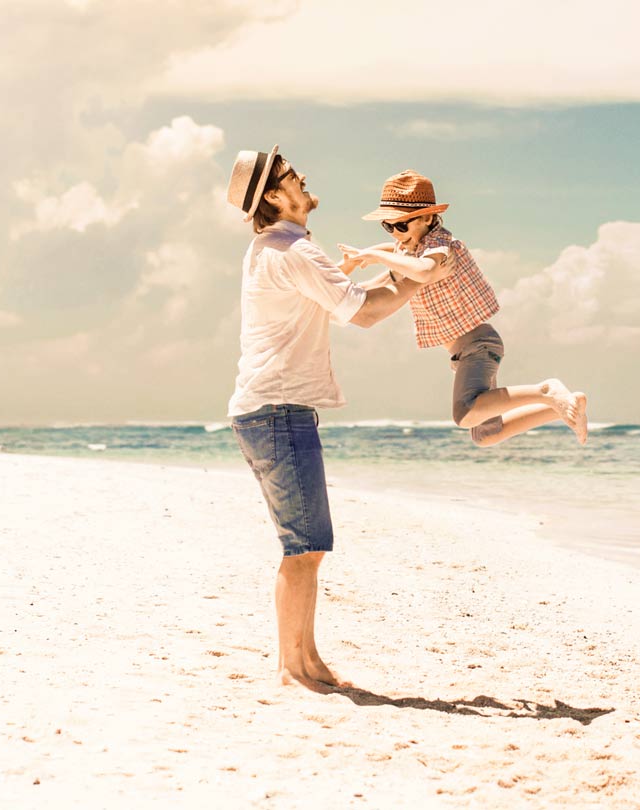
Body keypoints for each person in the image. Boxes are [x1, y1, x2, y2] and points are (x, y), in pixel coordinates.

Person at [224, 146, 421, 692]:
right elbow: (365, 312)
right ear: (273, 196)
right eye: (291, 176)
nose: (304, 178)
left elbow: (357, 297)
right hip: (277, 409)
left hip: (271, 408)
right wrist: (426, 273)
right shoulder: (292, 250)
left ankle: (306, 659)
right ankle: (293, 666)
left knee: (306, 545)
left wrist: (400, 273)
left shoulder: (275, 247)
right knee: (303, 546)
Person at [337, 170, 588, 448]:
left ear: (428, 218)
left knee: (465, 413)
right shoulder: (407, 251)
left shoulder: (439, 245)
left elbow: (424, 270)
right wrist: (347, 271)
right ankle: (561, 405)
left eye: (402, 225)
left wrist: (374, 255)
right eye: (388, 226)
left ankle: (545, 390)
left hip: (478, 345)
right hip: (469, 350)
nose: (397, 234)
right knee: (486, 435)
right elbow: (376, 284)